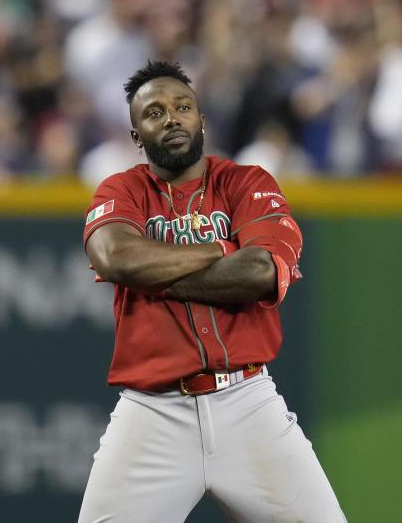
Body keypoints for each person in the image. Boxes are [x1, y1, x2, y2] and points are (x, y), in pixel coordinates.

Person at [79, 59, 345, 522]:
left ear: (201, 119)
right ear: (136, 135)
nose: (172, 117)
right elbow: (116, 258)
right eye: (155, 112)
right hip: (152, 411)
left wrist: (155, 271)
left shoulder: (248, 182)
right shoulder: (119, 191)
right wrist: (223, 248)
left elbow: (261, 270)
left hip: (248, 401)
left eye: (183, 106)